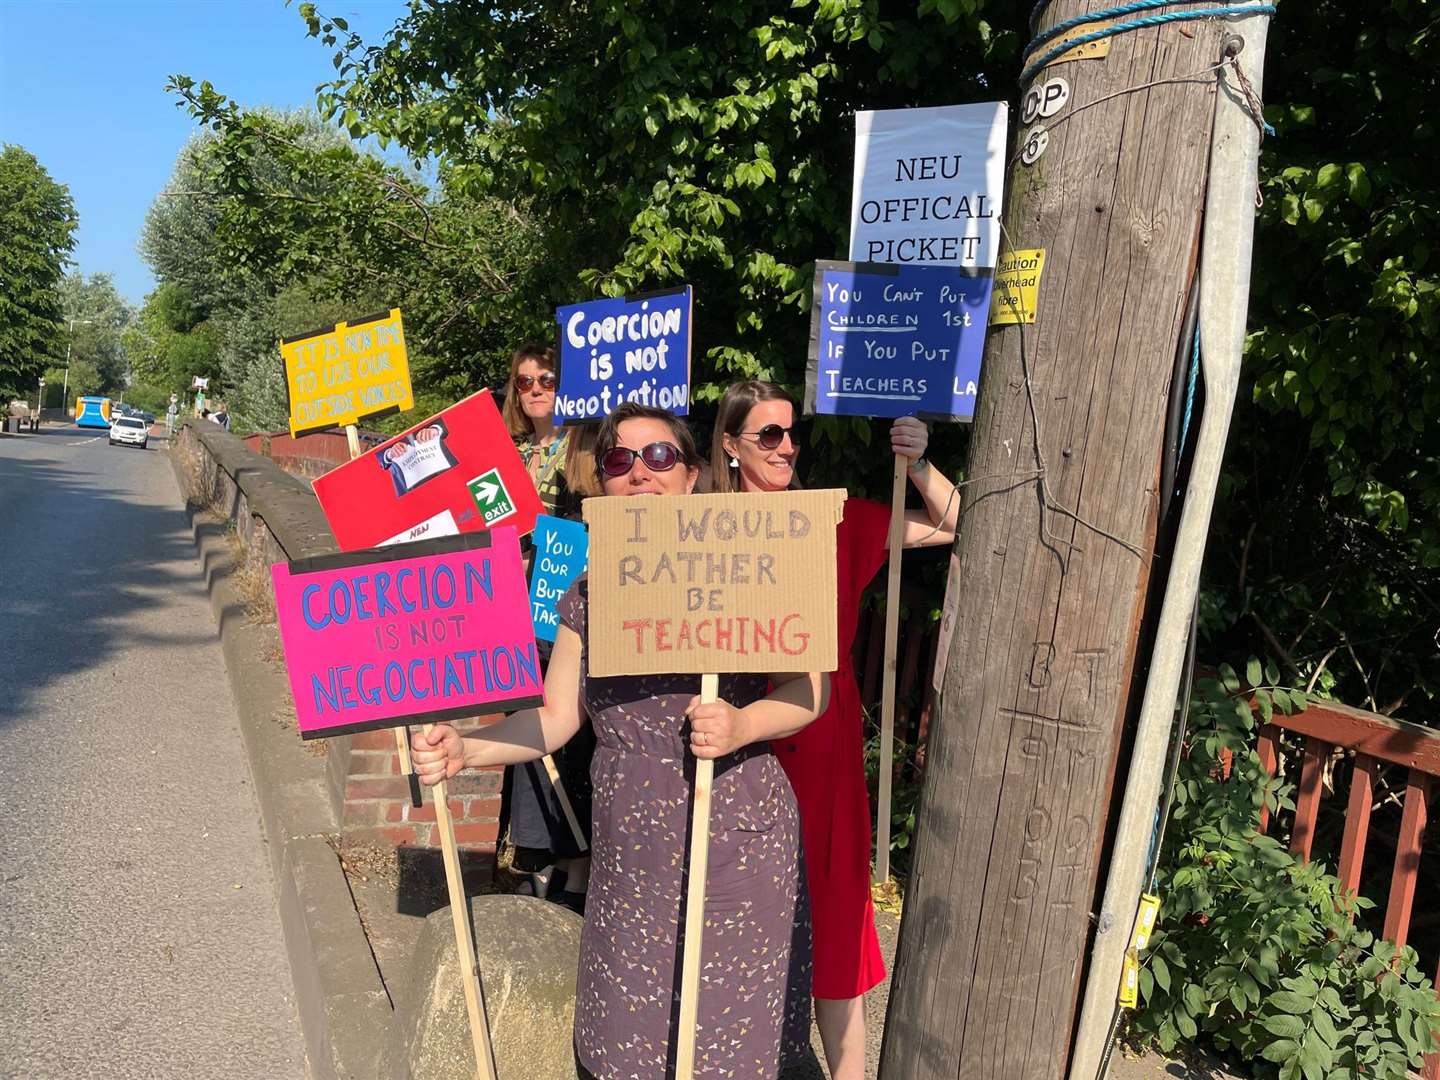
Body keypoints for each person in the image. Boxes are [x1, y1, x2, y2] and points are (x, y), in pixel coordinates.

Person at [412, 403, 826, 1080]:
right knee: (628, 1036)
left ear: (692, 475)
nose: (639, 473)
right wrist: (467, 749)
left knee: (728, 1037)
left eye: (659, 456)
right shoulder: (589, 589)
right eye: (618, 460)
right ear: (599, 483)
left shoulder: (753, 561)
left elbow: (811, 693)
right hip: (633, 848)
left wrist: (744, 723)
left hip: (735, 835)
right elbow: (553, 719)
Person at [710, 380, 960, 1080]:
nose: (787, 446)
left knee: (833, 903)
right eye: (769, 435)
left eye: (792, 433)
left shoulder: (836, 517)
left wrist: (916, 463)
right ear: (730, 446)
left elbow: (951, 521)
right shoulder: (698, 525)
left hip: (821, 735)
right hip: (726, 727)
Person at [499, 341, 593, 909]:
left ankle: (576, 871)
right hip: (513, 612)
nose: (535, 390)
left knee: (570, 738)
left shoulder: (583, 448)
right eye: (524, 381)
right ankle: (535, 862)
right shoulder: (507, 452)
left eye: (546, 380)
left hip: (564, 611)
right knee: (526, 737)